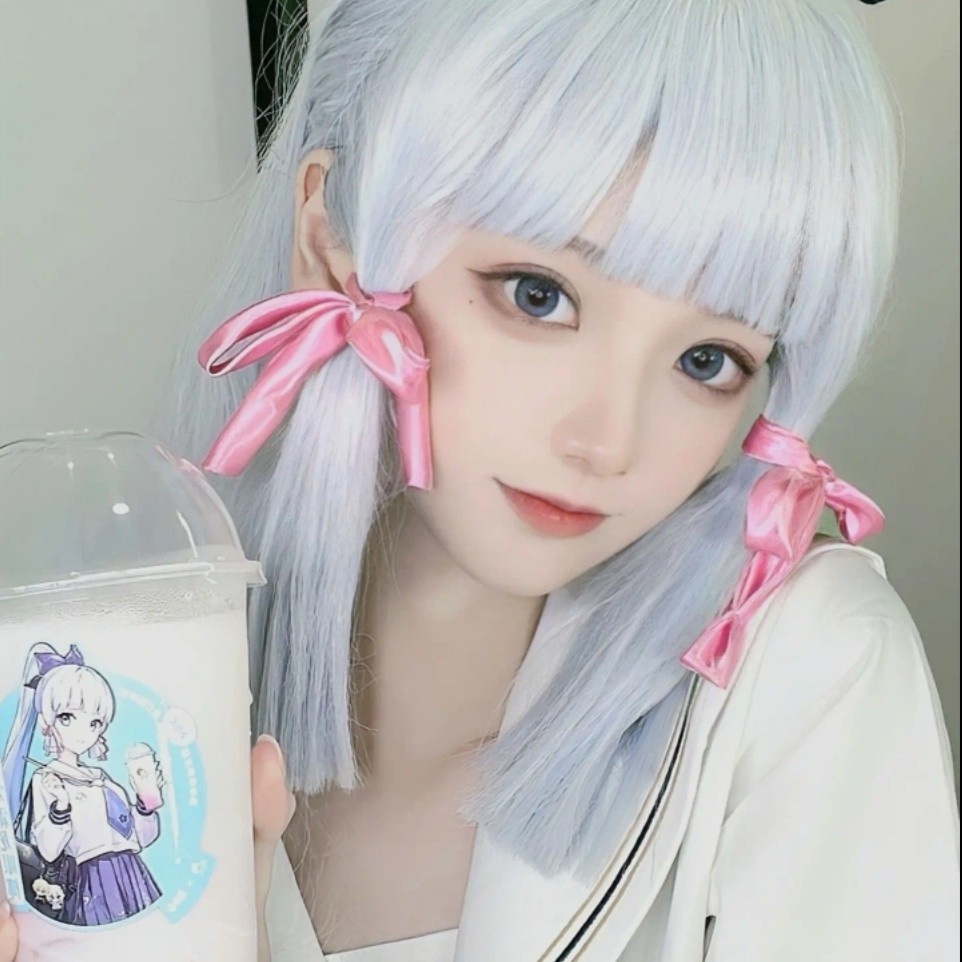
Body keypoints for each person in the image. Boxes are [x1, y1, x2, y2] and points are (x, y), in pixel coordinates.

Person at [2, 0, 958, 960]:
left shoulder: (809, 675)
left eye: (708, 360)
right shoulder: (136, 688)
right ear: (332, 241)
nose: (607, 440)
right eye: (539, 297)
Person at [1, 644, 164, 928]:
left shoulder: (104, 781)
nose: (83, 731)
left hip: (132, 878)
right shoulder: (47, 779)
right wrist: (60, 808)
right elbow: (49, 850)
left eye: (95, 722)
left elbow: (140, 838)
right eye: (67, 717)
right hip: (89, 884)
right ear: (47, 722)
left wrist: (145, 804)